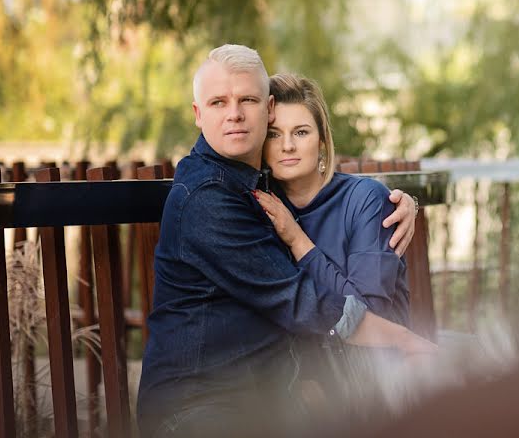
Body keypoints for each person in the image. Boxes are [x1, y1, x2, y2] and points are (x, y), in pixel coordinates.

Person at [137, 45, 435, 438]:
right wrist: (406, 341)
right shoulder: (210, 196)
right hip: (198, 405)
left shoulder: (256, 185)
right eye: (217, 102)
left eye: (247, 100)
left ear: (267, 107)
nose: (234, 114)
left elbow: (338, 201)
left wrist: (408, 202)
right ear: (198, 114)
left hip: (265, 396)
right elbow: (299, 301)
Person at [255, 73, 409, 326]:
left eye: (301, 132)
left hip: (382, 363)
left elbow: (372, 319)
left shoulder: (366, 200)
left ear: (323, 139)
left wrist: (297, 240)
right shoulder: (261, 203)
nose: (287, 145)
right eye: (273, 134)